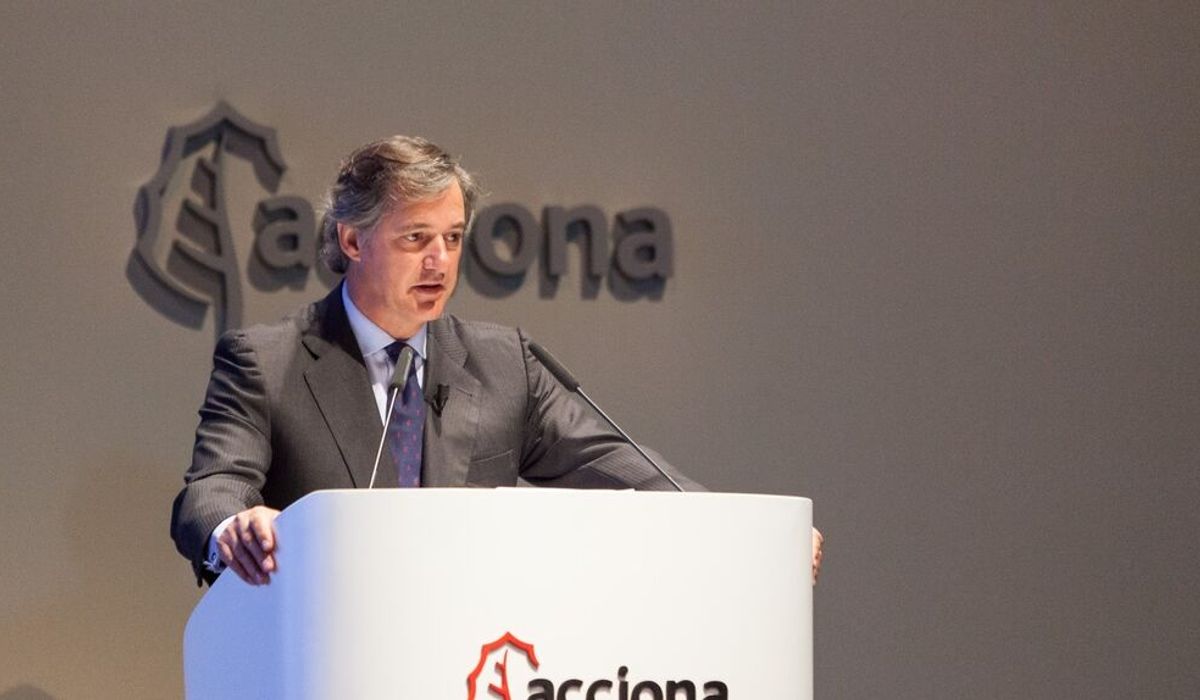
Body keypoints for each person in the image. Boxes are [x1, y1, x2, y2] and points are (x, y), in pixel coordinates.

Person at [170, 135, 823, 587]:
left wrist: (753, 538)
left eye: (453, 238)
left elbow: (635, 477)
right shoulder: (269, 360)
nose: (440, 261)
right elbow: (210, 491)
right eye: (416, 238)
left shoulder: (502, 363)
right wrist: (234, 528)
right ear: (352, 241)